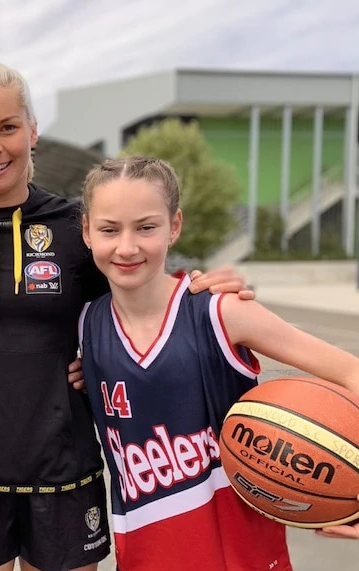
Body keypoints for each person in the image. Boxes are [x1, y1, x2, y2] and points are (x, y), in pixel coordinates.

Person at [0, 61, 250, 571]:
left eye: (8, 128)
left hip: (65, 474)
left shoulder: (77, 228)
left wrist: (202, 288)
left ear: (33, 130)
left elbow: (147, 300)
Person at [77, 156, 359, 570]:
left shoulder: (220, 312)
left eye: (146, 227)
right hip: (143, 557)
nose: (126, 246)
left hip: (243, 559)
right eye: (109, 229)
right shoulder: (86, 325)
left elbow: (350, 371)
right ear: (86, 231)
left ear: (175, 226)